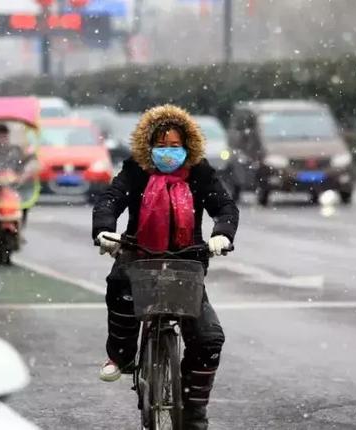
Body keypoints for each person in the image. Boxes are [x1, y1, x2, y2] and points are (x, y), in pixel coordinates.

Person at [92, 105, 239, 429]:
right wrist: (105, 229)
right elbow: (110, 200)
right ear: (148, 146)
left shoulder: (200, 173)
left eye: (175, 146)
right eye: (161, 146)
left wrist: (222, 235)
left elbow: (224, 207)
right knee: (120, 289)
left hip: (186, 262)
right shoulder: (136, 171)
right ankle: (122, 355)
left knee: (209, 339)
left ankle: (193, 412)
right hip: (137, 257)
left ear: (188, 147)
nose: (168, 153)